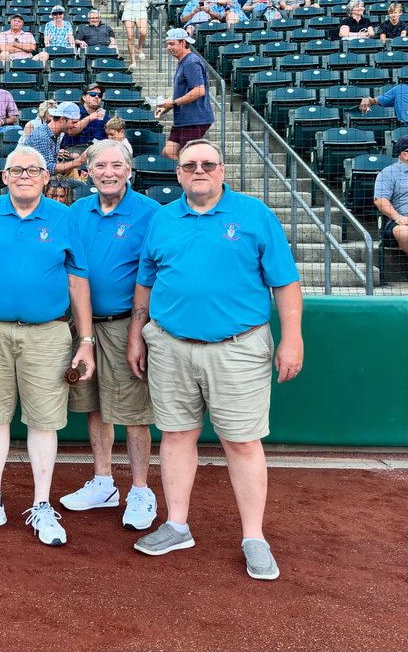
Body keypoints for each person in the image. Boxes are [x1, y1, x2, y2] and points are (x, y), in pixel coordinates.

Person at [128, 139, 303, 581]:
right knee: (176, 435)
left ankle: (254, 537)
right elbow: (145, 286)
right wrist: (137, 337)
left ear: (222, 170)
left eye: (208, 163)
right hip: (170, 345)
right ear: (179, 174)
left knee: (242, 443)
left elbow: (284, 283)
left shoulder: (254, 215)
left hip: (239, 347)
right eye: (190, 165)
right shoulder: (163, 219)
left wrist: (292, 338)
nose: (199, 170)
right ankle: (177, 524)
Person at [0, 146, 96, 544]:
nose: (25, 175)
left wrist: (85, 341)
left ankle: (42, 505)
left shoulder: (64, 217)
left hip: (48, 333)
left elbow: (77, 280)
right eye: (16, 170)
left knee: (44, 421)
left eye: (33, 169)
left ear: (47, 177)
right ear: (6, 176)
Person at [59, 140, 161, 530]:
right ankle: (103, 482)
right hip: (83, 327)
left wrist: (138, 332)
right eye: (99, 165)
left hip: (125, 325)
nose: (108, 172)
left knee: (134, 412)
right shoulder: (75, 212)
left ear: (130, 170)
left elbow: (152, 277)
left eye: (116, 165)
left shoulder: (151, 213)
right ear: (87, 172)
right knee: (96, 405)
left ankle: (139, 488)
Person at [155, 29, 214, 160]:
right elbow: (181, 92)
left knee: (190, 158)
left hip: (194, 119)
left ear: (183, 43)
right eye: (168, 44)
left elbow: (199, 91)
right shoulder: (183, 62)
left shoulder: (191, 62)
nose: (168, 48)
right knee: (169, 152)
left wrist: (173, 103)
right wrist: (166, 107)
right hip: (183, 120)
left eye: (172, 44)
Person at [23, 101, 86, 175]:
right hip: (31, 178)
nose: (75, 126)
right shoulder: (41, 136)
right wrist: (78, 162)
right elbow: (49, 169)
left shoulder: (56, 134)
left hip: (42, 177)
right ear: (62, 119)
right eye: (73, 122)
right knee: (80, 185)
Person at [374, 137, 408, 253]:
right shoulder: (388, 173)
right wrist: (398, 217)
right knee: (404, 233)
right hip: (401, 221)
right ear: (405, 155)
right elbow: (380, 200)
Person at [118, 0, 154, 66]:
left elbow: (148, 1)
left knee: (143, 32)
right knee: (130, 36)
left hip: (141, 9)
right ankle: (133, 61)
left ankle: (139, 48)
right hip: (129, 9)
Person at [63, 83, 109, 149]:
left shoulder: (104, 116)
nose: (96, 97)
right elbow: (71, 132)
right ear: (84, 97)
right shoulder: (75, 112)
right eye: (92, 94)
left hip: (97, 150)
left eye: (100, 95)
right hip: (74, 148)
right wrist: (89, 118)